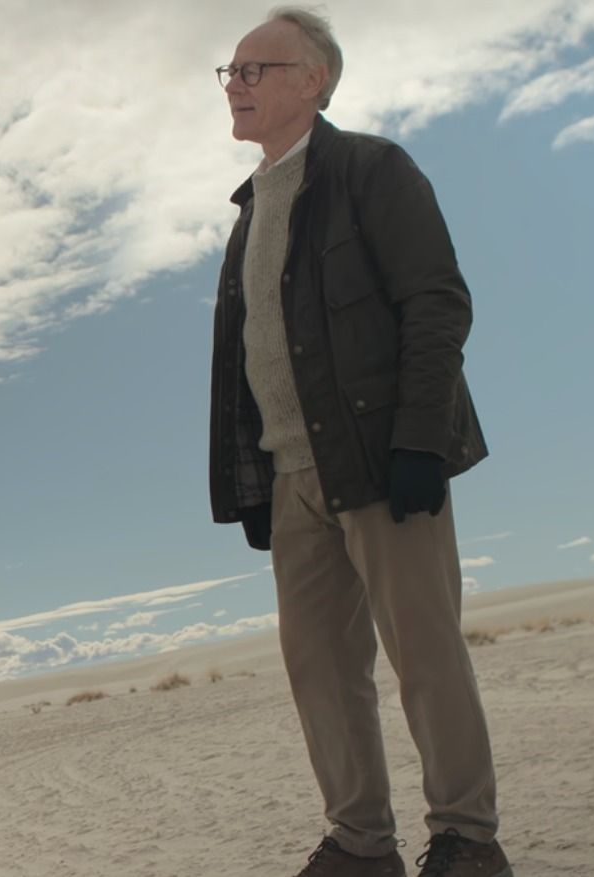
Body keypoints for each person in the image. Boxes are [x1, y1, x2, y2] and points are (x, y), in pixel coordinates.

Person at [207, 8, 512, 877]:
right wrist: (254, 483)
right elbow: (249, 359)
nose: (235, 84)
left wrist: (419, 441)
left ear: (313, 81)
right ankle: (360, 844)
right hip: (293, 474)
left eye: (254, 70)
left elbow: (436, 302)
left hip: (382, 462)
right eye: (228, 72)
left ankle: (465, 838)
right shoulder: (247, 212)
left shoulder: (373, 169)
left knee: (426, 654)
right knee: (321, 675)